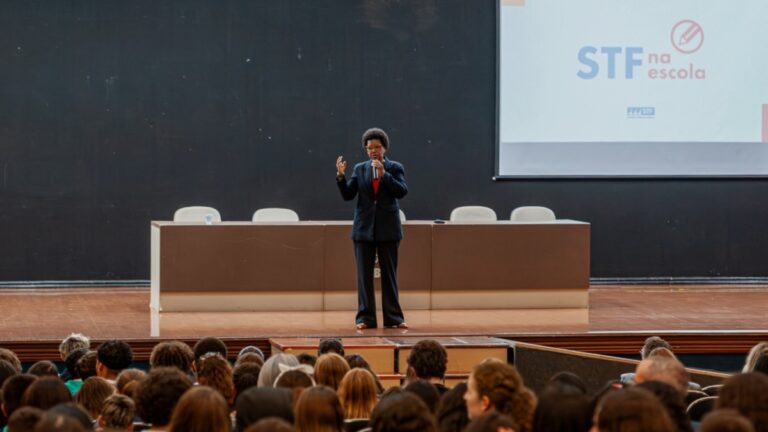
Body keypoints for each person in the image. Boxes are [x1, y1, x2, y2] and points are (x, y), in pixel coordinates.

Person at [335, 127, 408, 330]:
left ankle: (394, 318)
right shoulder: (360, 169)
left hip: (388, 228)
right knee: (364, 276)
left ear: (384, 148)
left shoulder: (395, 167)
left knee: (389, 275)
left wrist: (385, 175)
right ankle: (365, 318)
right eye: (369, 148)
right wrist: (340, 176)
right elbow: (348, 194)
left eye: (377, 147)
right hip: (364, 229)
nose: (373, 151)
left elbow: (402, 191)